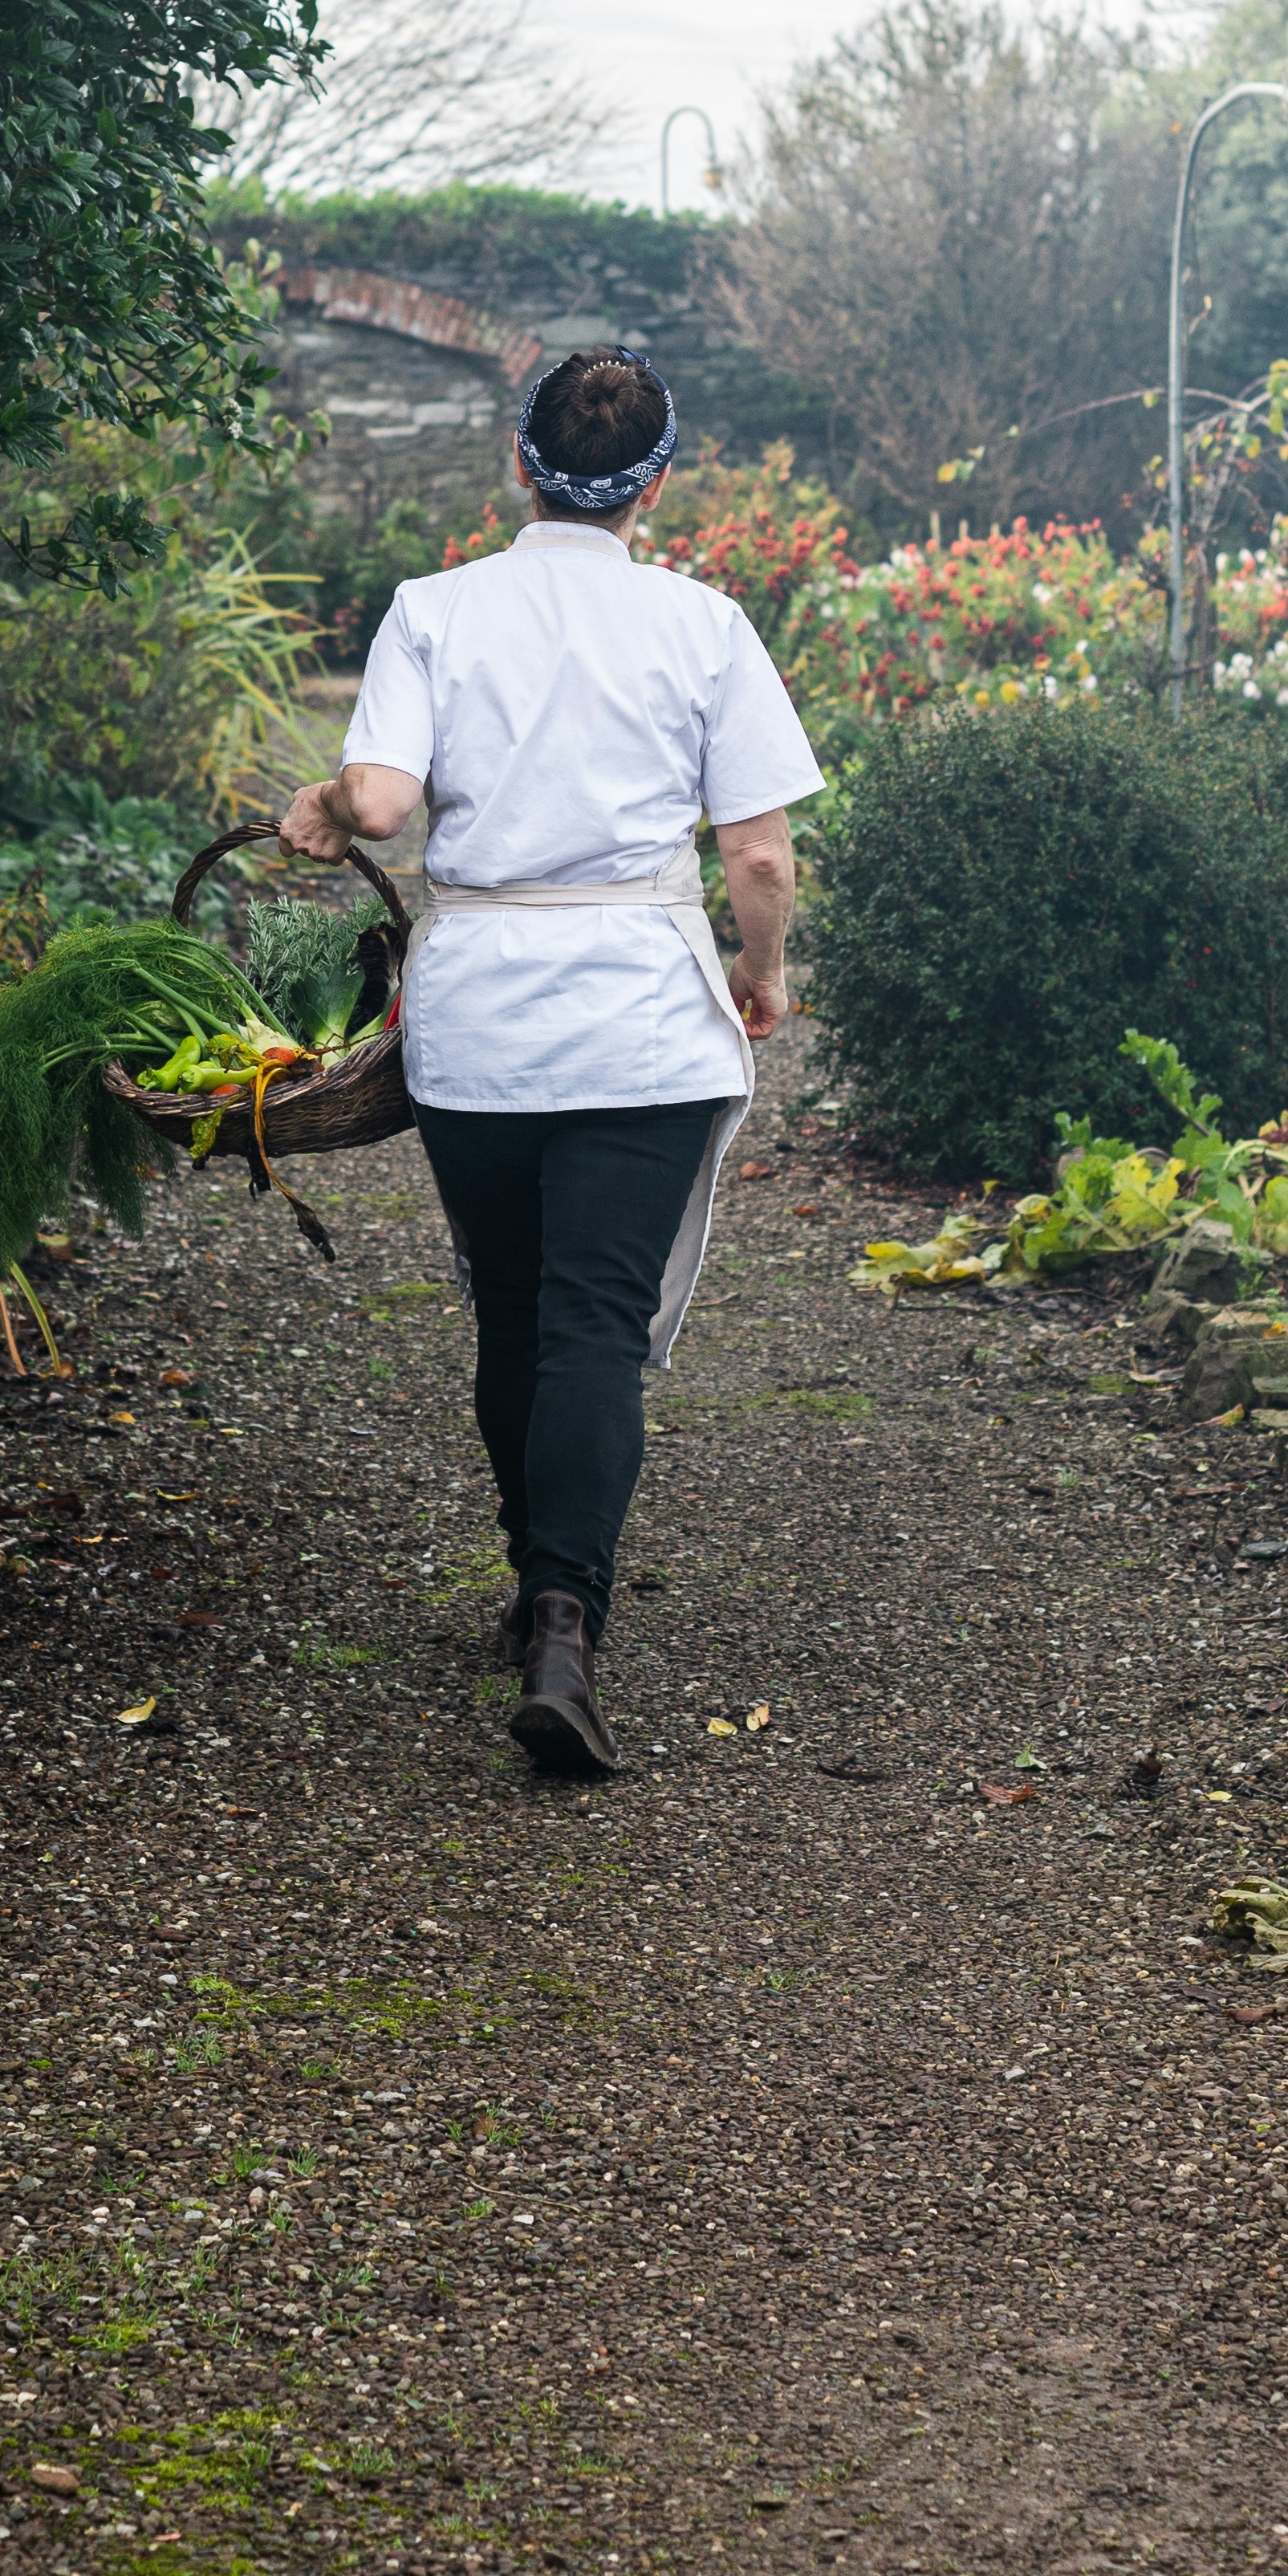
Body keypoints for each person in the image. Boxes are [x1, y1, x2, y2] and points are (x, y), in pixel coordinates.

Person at [274, 344, 823, 1773]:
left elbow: (385, 800)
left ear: (520, 462)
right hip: (642, 1017)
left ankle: (538, 1585)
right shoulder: (703, 624)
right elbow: (757, 852)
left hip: (482, 1030)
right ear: (653, 482)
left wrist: (325, 805)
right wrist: (758, 975)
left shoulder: (433, 612)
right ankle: (564, 1621)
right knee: (596, 1325)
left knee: (512, 1312)